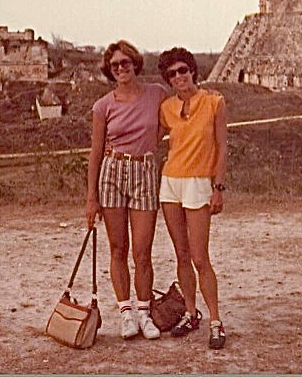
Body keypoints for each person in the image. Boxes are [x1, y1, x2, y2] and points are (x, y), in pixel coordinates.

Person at [86, 40, 167, 340]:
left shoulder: (156, 94)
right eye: (115, 65)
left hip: (144, 171)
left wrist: (151, 145)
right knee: (118, 248)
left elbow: (168, 122)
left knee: (142, 251)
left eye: (126, 63)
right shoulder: (103, 106)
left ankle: (144, 312)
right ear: (109, 70)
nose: (121, 68)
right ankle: (125, 312)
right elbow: (95, 152)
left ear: (135, 64)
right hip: (112, 172)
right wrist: (91, 198)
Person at [157, 47, 228, 350]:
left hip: (199, 183)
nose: (179, 77)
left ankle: (215, 320)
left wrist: (219, 187)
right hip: (171, 183)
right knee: (182, 255)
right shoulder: (167, 108)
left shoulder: (214, 102)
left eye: (183, 70)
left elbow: (223, 146)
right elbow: (148, 136)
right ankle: (190, 312)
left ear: (193, 71)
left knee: (200, 257)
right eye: (172, 73)